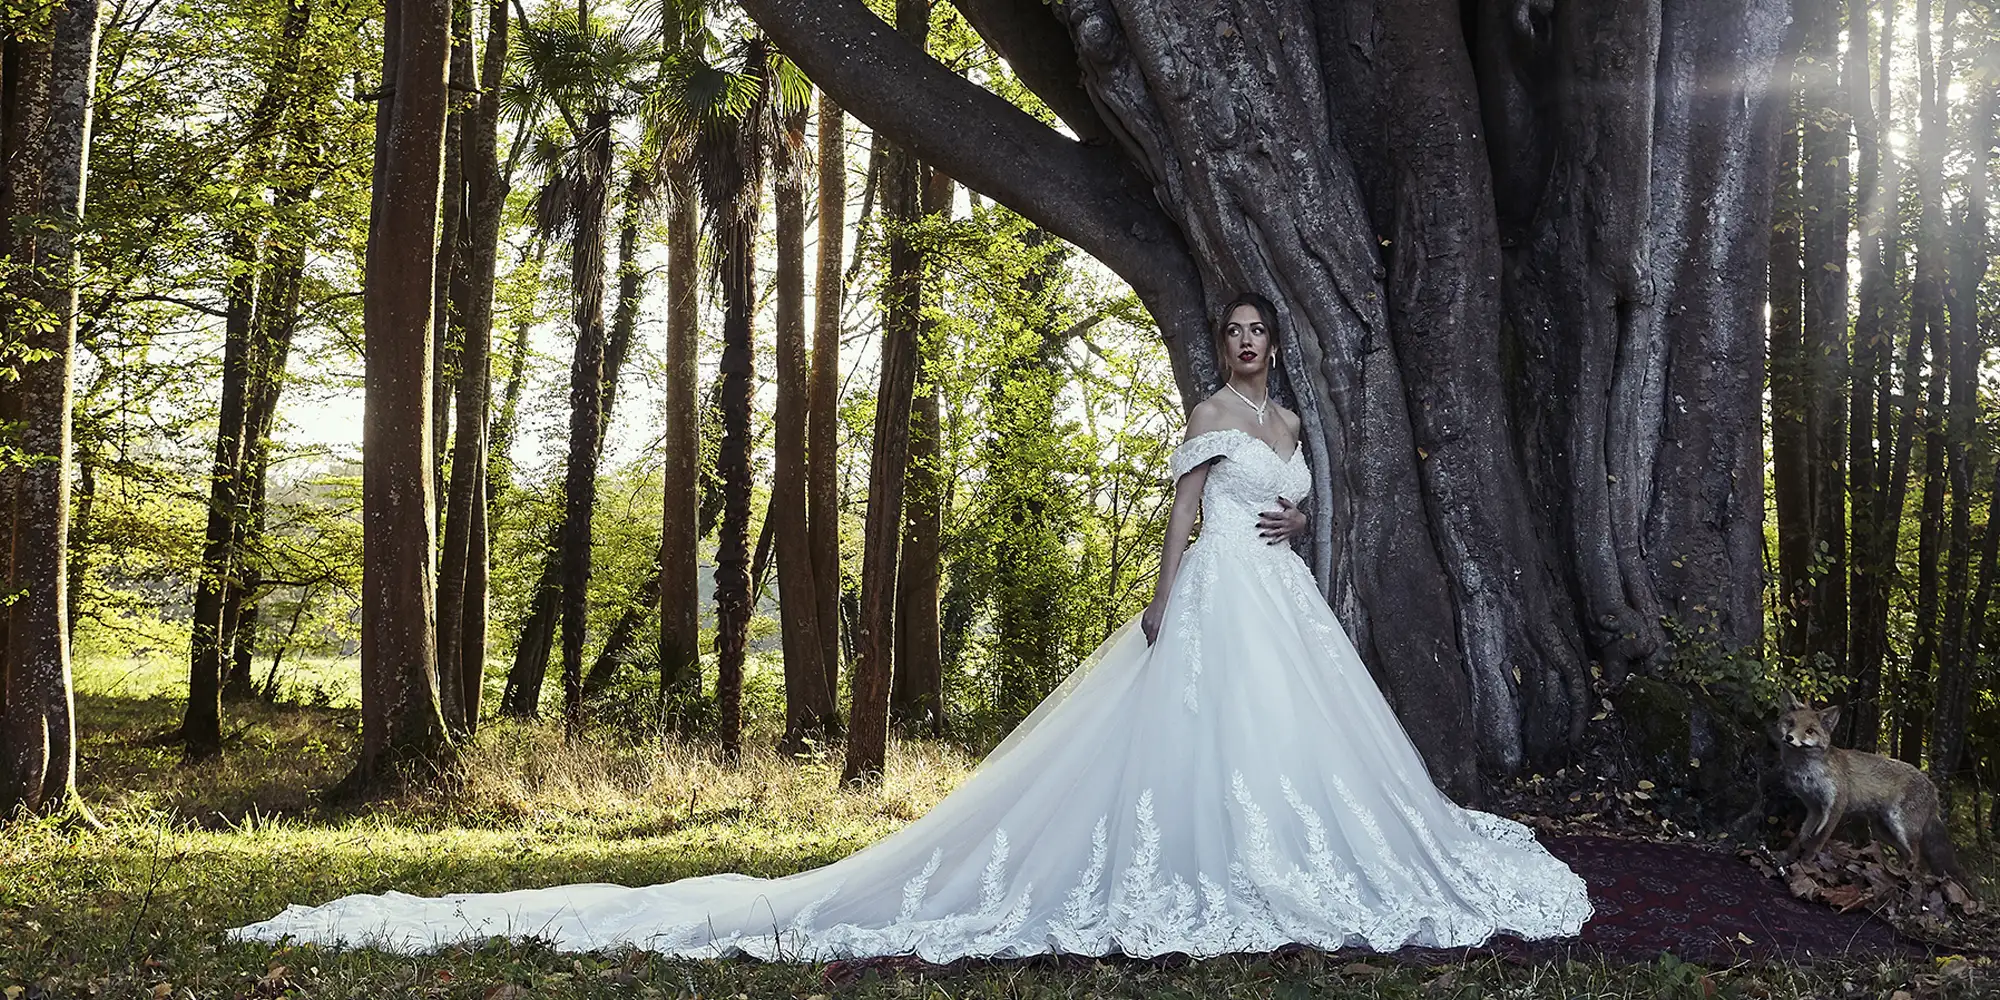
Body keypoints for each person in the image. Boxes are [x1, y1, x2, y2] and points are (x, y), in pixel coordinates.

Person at [230, 292, 1592, 961]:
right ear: (1216, 349)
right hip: (1218, 603)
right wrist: (1165, 600)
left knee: (1305, 758)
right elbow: (1179, 521)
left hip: (1285, 605)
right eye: (1228, 333)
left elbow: (1303, 512)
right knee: (1189, 739)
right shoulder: (1204, 422)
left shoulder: (1294, 427)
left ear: (1275, 348)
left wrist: (1301, 534)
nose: (1242, 348)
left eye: (1253, 335)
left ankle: (1295, 860)